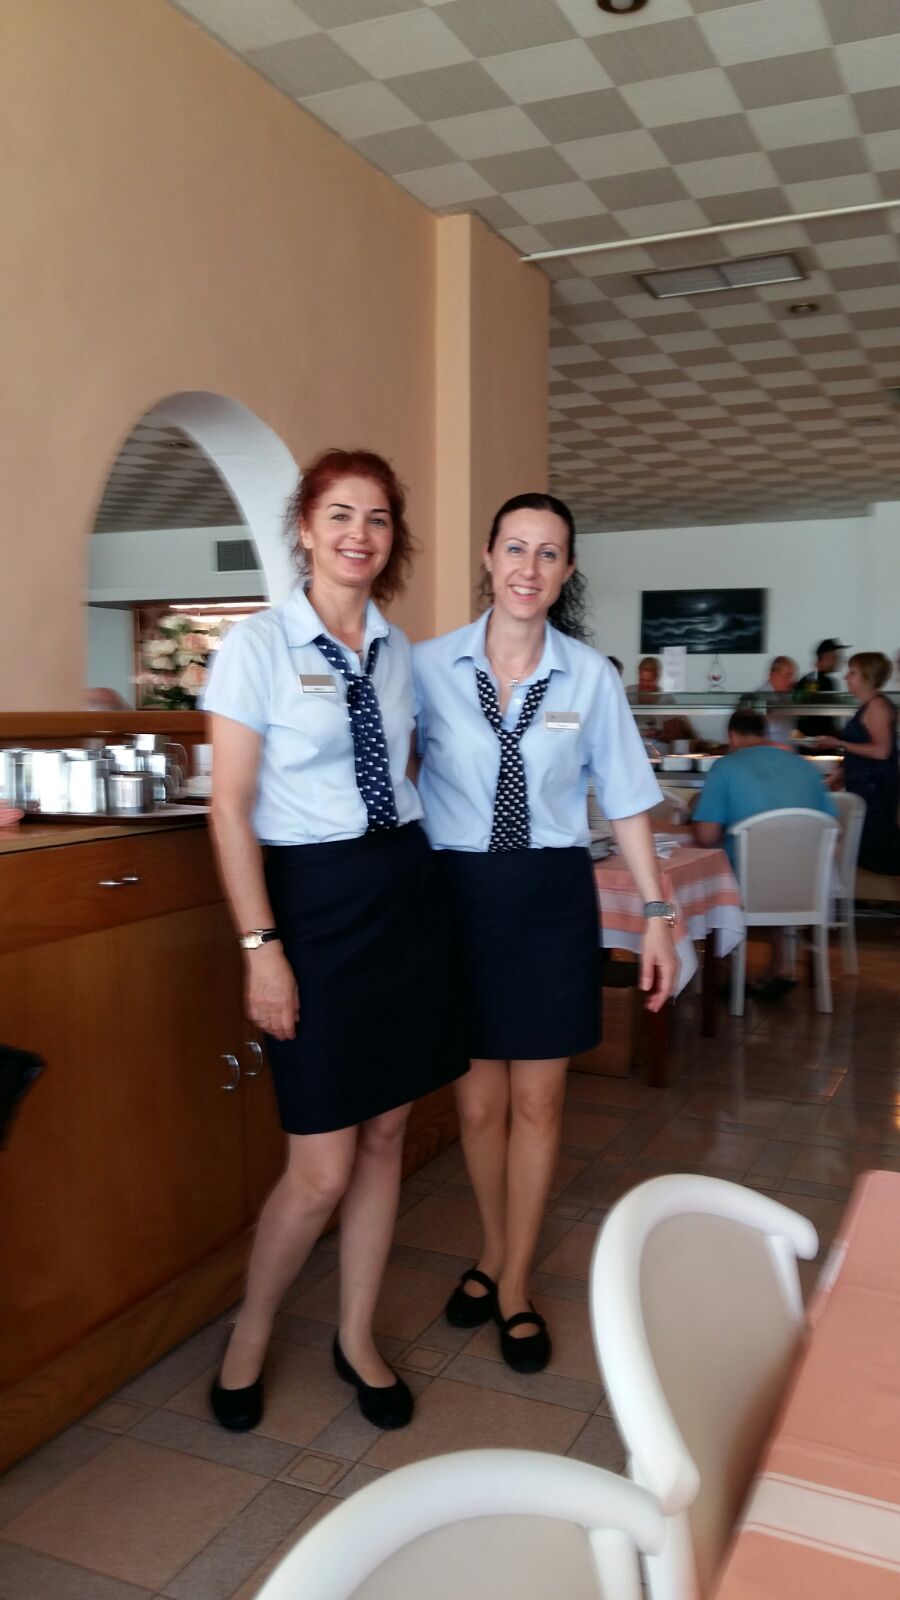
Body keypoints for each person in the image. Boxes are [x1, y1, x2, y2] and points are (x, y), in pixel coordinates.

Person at [202, 448, 465, 1434]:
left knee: (387, 1137)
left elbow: (406, 771)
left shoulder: (400, 653)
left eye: (379, 518)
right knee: (318, 1167)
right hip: (309, 908)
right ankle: (252, 1332)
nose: (360, 533)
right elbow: (228, 810)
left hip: (402, 894)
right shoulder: (257, 646)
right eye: (341, 514)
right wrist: (260, 946)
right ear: (306, 528)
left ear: (394, 540)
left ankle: (355, 1336)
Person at [414, 492, 677, 1374]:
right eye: (516, 548)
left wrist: (658, 915)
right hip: (458, 895)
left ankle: (513, 1279)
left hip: (550, 896)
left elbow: (629, 801)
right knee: (477, 1106)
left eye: (549, 553)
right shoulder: (426, 666)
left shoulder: (589, 676)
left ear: (567, 571)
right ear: (489, 558)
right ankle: (494, 1250)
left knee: (539, 1103)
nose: (530, 568)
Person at [693, 708, 837, 995]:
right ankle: (781, 964)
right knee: (773, 861)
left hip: (750, 884)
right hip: (806, 882)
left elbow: (706, 837)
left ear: (732, 737)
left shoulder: (726, 767)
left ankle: (725, 969)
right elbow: (832, 826)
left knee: (712, 873)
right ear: (765, 735)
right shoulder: (805, 767)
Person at [817, 652, 900, 875]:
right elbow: (861, 753)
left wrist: (839, 743)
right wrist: (836, 778)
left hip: (876, 791)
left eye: (852, 672)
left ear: (867, 677)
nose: (846, 677)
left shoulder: (877, 706)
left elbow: (882, 751)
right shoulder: (868, 706)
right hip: (865, 789)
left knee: (877, 850)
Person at [796, 638, 848, 738]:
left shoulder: (805, 680)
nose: (838, 661)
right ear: (826, 657)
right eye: (835, 657)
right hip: (819, 742)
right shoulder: (826, 683)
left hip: (807, 740)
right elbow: (823, 720)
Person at [756, 654, 798, 745]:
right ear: (774, 675)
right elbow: (754, 738)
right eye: (788, 676)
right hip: (769, 751)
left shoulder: (786, 697)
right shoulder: (759, 698)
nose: (792, 681)